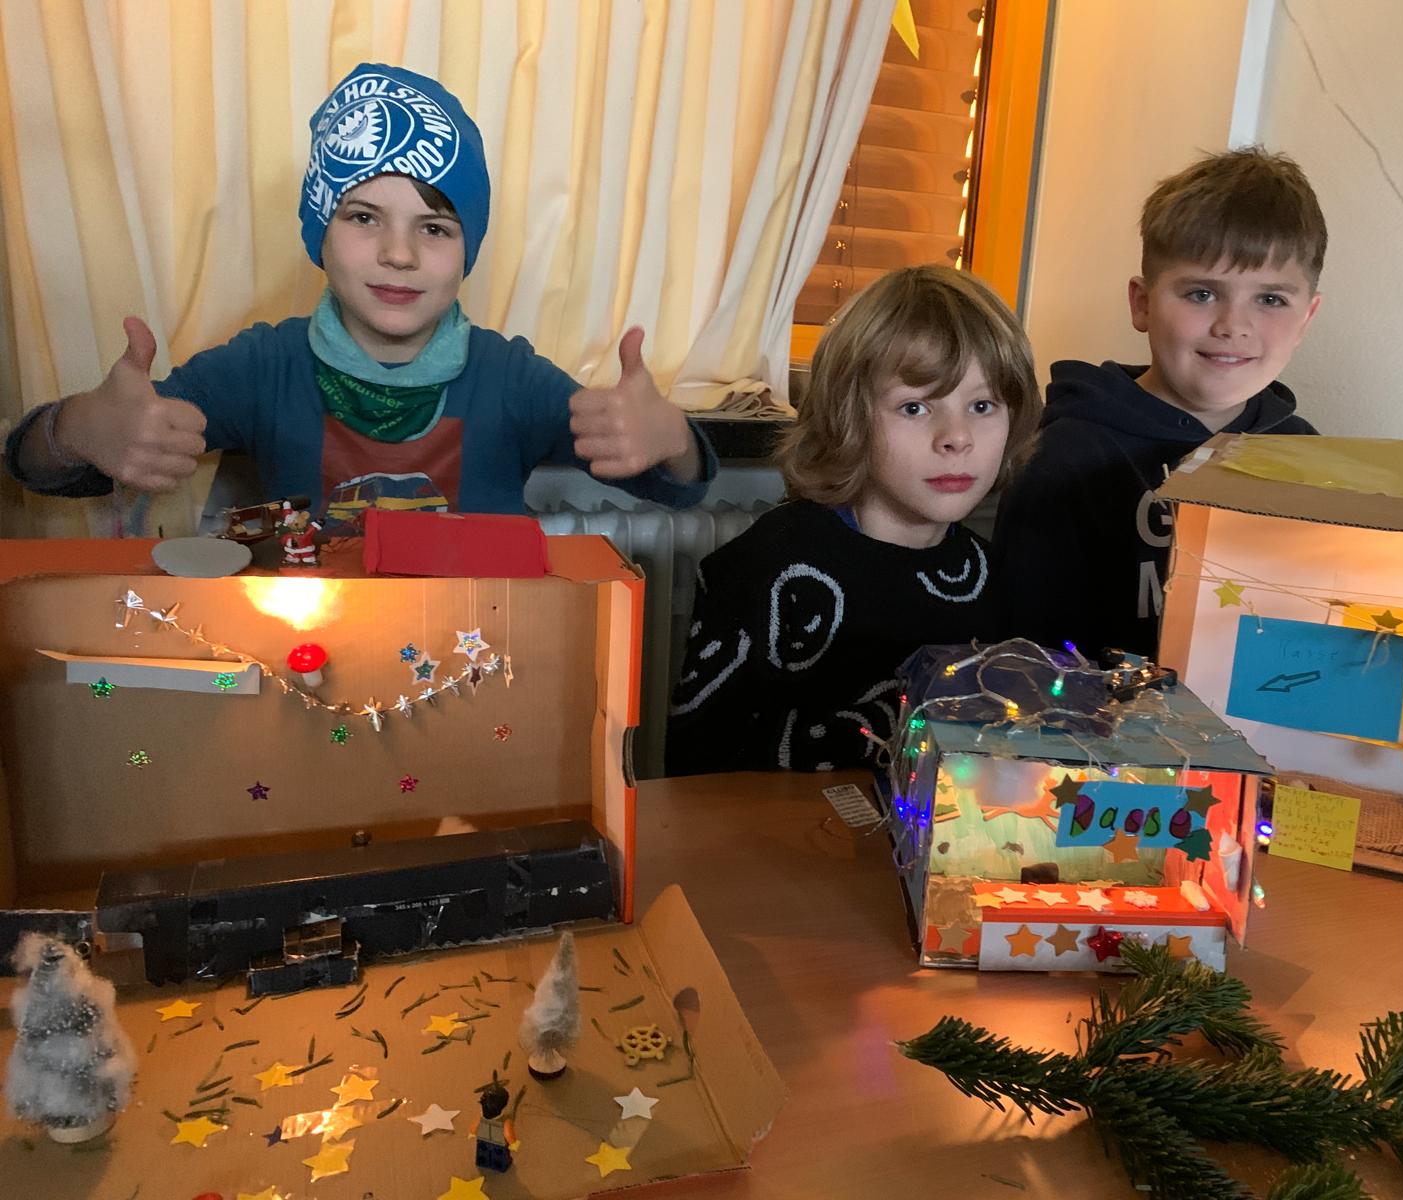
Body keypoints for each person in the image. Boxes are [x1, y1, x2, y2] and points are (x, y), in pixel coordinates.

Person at [3, 63, 712, 533]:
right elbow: (35, 467)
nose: (399, 254)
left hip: (482, 667)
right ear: (320, 231)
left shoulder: (512, 380)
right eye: (364, 217)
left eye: (434, 227)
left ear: (467, 248)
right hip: (317, 673)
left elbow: (679, 487)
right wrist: (76, 428)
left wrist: (673, 438)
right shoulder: (263, 368)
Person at [665, 266, 1041, 775]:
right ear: (849, 417)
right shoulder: (769, 568)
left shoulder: (992, 576)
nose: (957, 437)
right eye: (914, 407)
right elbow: (695, 768)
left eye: (981, 405)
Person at [991, 147, 1325, 660]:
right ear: (1142, 303)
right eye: (1201, 294)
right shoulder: (1064, 460)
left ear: (1306, 319)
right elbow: (1030, 659)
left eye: (1270, 299)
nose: (1233, 326)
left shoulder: (1312, 462)